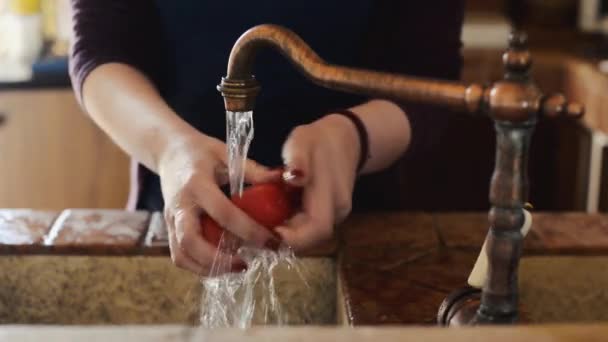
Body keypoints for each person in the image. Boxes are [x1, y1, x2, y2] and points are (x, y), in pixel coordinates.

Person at [69, 1, 465, 275]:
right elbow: (100, 52)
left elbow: (428, 79)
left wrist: (353, 137)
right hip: (181, 221)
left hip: (363, 232)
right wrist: (170, 148)